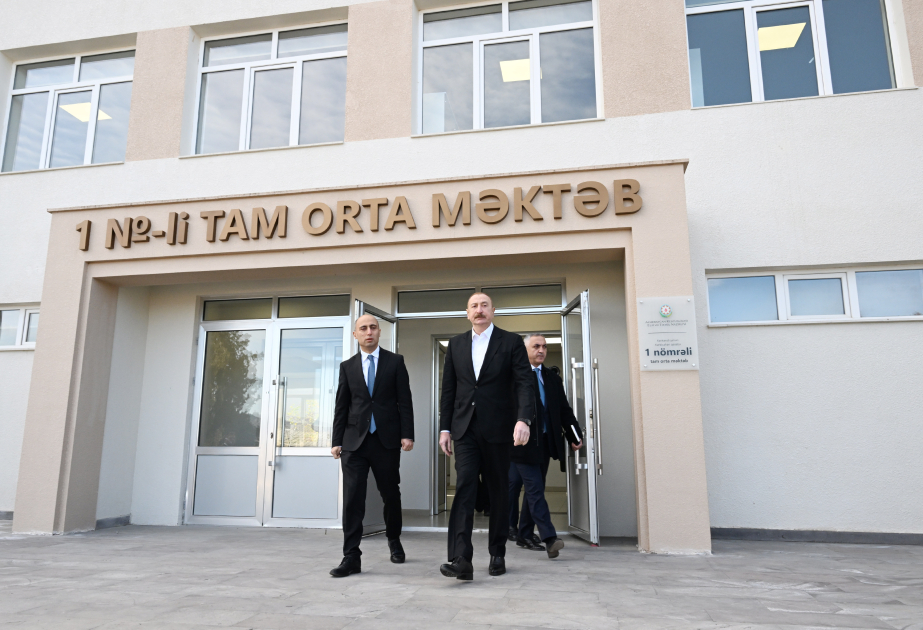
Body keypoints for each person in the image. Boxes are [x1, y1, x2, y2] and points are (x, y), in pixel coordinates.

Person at [438, 292, 535, 580]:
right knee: (465, 485)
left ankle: (497, 552)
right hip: (465, 428)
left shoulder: (511, 342)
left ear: (493, 310)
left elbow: (524, 384)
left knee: (497, 491)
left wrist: (523, 419)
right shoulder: (455, 344)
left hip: (499, 428)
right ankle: (461, 559)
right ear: (466, 312)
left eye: (484, 306)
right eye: (474, 307)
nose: (479, 311)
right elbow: (449, 391)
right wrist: (445, 428)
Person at [329, 314, 414, 577]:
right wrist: (336, 441)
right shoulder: (347, 366)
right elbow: (341, 406)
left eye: (373, 328)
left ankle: (394, 540)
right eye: (363, 328)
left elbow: (405, 401)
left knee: (390, 493)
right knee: (353, 499)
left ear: (379, 332)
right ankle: (351, 556)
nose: (369, 332)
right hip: (354, 442)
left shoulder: (395, 362)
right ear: (355, 335)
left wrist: (407, 434)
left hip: (386, 440)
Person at [509, 334, 584, 555]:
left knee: (535, 489)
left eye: (544, 346)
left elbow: (563, 410)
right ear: (525, 350)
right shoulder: (513, 376)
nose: (541, 350)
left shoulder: (551, 378)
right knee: (534, 489)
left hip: (544, 443)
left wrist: (574, 435)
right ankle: (549, 537)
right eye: (536, 346)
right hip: (521, 443)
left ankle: (524, 534)